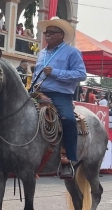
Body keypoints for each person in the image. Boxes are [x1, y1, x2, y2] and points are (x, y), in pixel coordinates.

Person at [33, 17, 87, 179]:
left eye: (51, 32)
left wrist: (55, 72)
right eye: (46, 32)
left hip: (60, 94)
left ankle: (68, 159)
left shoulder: (72, 52)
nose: (47, 35)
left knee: (68, 120)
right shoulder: (42, 52)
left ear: (61, 35)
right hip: (38, 91)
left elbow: (81, 74)